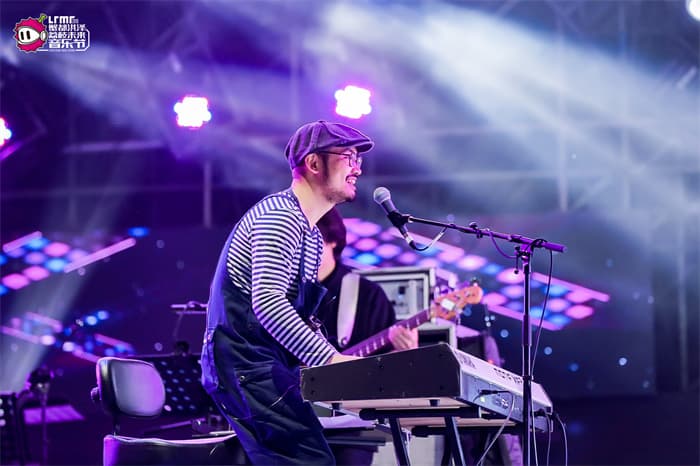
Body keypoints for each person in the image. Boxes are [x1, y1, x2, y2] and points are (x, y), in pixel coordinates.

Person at [200, 121, 374, 465]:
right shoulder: (280, 217)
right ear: (314, 163)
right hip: (245, 365)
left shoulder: (311, 236)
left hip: (264, 365)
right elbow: (268, 304)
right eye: (348, 157)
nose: (357, 168)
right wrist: (332, 362)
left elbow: (295, 316)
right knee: (310, 460)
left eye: (358, 159)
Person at [315, 207, 419, 466]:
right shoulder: (286, 292)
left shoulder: (367, 295)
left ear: (332, 241)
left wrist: (403, 354)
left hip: (352, 426)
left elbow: (388, 375)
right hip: (296, 421)